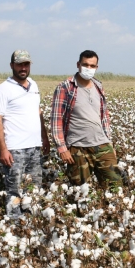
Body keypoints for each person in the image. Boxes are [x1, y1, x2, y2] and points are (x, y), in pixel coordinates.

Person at [50, 50, 123, 190]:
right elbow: (56, 120)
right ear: (78, 65)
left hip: (102, 145)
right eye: (85, 65)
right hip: (78, 147)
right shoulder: (65, 87)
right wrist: (62, 148)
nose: (88, 68)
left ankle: (108, 211)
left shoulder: (98, 86)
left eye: (92, 66)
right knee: (81, 191)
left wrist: (109, 142)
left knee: (115, 187)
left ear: (96, 67)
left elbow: (104, 117)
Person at [0, 50, 50, 217]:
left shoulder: (34, 85)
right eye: (19, 64)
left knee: (34, 189)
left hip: (34, 148)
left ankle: (31, 224)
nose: (23, 68)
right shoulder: (3, 89)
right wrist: (3, 149)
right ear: (12, 66)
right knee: (14, 192)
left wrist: (44, 138)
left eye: (26, 64)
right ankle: (15, 225)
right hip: (15, 149)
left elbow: (38, 113)